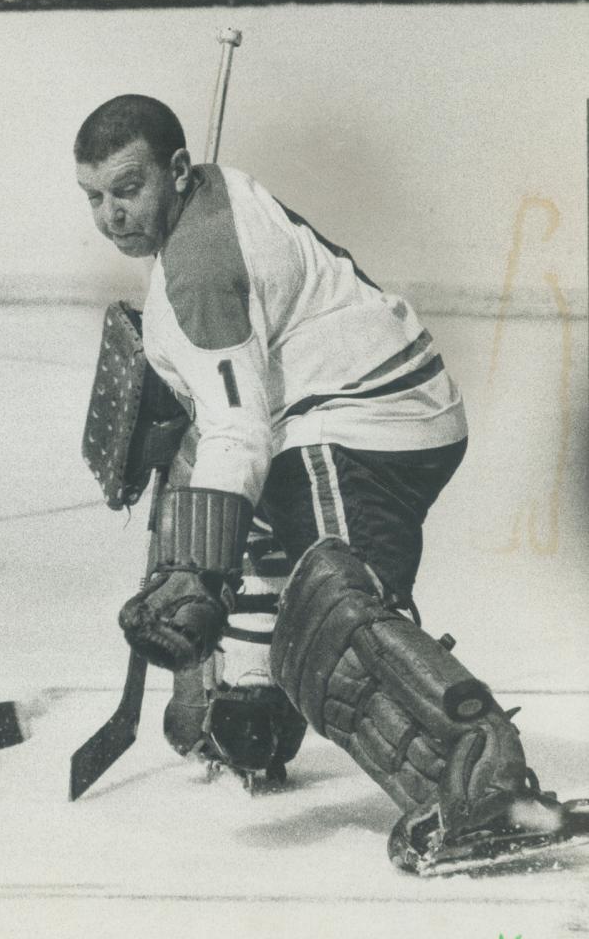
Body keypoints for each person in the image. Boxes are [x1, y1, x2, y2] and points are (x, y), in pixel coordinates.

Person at [73, 94, 586, 873]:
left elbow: (242, 431)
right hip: (357, 403)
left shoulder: (198, 273)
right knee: (223, 499)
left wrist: (194, 576)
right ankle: (254, 705)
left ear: (177, 171)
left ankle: (485, 783)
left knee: (335, 609)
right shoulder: (209, 197)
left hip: (366, 421)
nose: (112, 215)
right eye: (95, 197)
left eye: (128, 188)